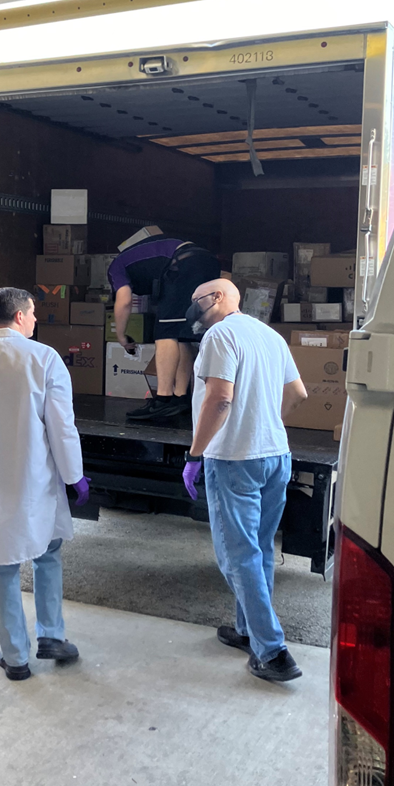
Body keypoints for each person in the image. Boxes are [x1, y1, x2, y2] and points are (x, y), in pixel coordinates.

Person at [0, 287, 92, 681]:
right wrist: (74, 475)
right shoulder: (43, 358)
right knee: (48, 552)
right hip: (36, 477)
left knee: (2, 565)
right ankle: (52, 635)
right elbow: (61, 426)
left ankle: (15, 657)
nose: (36, 320)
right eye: (34, 314)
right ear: (23, 315)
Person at [180, 279, 308, 682]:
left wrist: (195, 454)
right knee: (260, 550)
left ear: (217, 298)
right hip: (276, 455)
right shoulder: (269, 336)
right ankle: (246, 630)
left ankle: (272, 653)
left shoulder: (218, 335)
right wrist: (266, 423)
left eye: (195, 298)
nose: (192, 306)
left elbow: (219, 398)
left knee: (237, 556)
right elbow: (299, 392)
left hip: (234, 457)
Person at [109, 226, 221, 424]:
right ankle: (180, 398)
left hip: (183, 264)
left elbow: (124, 300)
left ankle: (163, 399)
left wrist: (120, 335)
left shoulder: (116, 267)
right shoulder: (142, 256)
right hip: (206, 261)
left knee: (165, 332)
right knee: (182, 334)